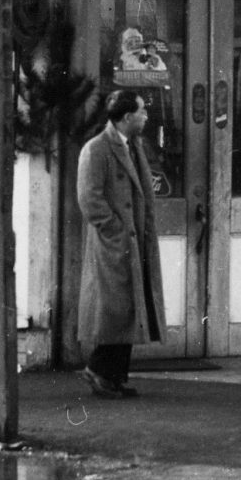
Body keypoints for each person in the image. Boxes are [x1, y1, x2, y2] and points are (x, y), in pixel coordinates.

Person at [76, 89, 166, 399]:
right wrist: (115, 230)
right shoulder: (97, 149)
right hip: (113, 245)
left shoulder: (132, 145)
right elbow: (90, 199)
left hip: (131, 241)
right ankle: (100, 372)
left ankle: (113, 377)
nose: (146, 117)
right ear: (126, 117)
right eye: (141, 112)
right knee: (114, 310)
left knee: (127, 309)